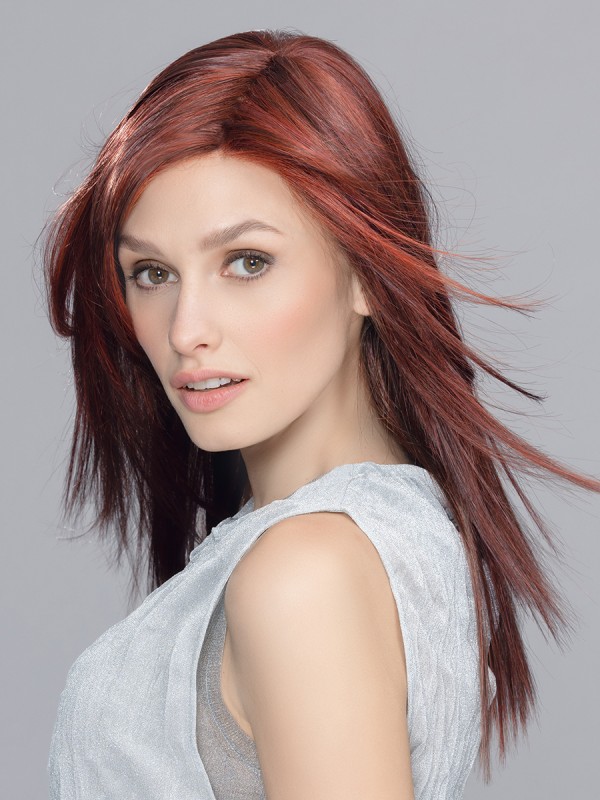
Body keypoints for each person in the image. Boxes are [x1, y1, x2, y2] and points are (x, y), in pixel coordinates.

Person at [43, 29, 599, 800]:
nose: (185, 329)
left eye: (247, 262)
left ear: (365, 275)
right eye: (152, 272)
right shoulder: (378, 538)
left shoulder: (306, 573)